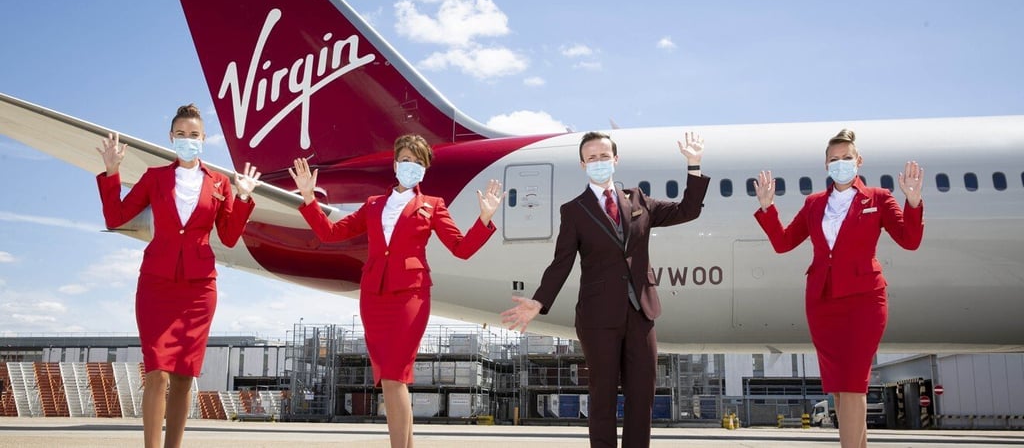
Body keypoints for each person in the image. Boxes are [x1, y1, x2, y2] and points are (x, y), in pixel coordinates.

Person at [289, 134, 503, 448]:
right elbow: (330, 233)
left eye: (418, 162)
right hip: (374, 296)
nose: (411, 166)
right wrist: (309, 199)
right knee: (389, 379)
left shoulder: (432, 206)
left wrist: (484, 218)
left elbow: (461, 248)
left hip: (411, 296)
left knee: (394, 375)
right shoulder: (374, 205)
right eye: (405, 159)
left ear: (425, 169)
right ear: (394, 164)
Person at [502, 131, 709, 448]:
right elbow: (562, 262)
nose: (599, 162)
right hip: (598, 317)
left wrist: (693, 166)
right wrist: (540, 301)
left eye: (604, 156)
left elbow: (688, 210)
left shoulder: (639, 201)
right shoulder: (574, 210)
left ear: (616, 159)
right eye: (592, 157)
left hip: (641, 312)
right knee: (602, 398)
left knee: (643, 395)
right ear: (583, 164)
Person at [96, 103, 261, 448]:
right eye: (182, 134)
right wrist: (111, 173)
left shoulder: (218, 183)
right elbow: (117, 217)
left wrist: (243, 197)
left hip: (199, 290)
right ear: (171, 138)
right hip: (157, 284)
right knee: (157, 371)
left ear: (204, 140)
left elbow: (229, 236)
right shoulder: (155, 178)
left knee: (185, 377)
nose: (188, 140)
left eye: (195, 135)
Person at [752, 128, 923, 448]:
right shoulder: (815, 203)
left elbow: (910, 240)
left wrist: (913, 201)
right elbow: (783, 243)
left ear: (859, 160)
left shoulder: (879, 198)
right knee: (839, 386)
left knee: (854, 384)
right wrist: (767, 208)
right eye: (834, 159)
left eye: (847, 158)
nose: (841, 164)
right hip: (823, 303)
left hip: (864, 301)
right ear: (826, 165)